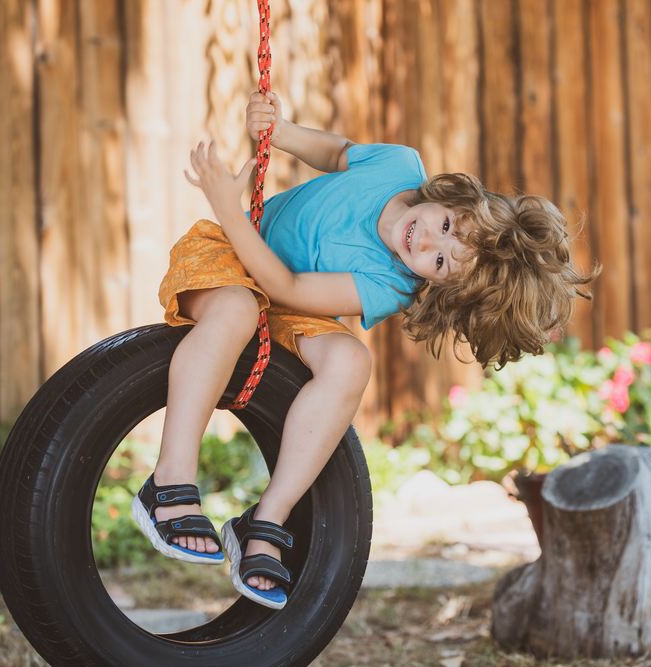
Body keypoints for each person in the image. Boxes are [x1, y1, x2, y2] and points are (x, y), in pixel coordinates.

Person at [132, 90, 601, 609]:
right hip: (227, 260)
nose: (425, 245)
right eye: (445, 226)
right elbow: (339, 154)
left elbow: (288, 287)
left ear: (439, 288)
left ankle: (266, 519)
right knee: (239, 308)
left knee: (353, 359)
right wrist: (281, 132)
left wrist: (226, 202)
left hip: (284, 291)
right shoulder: (399, 165)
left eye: (442, 264)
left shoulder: (392, 283)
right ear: (455, 201)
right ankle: (169, 480)